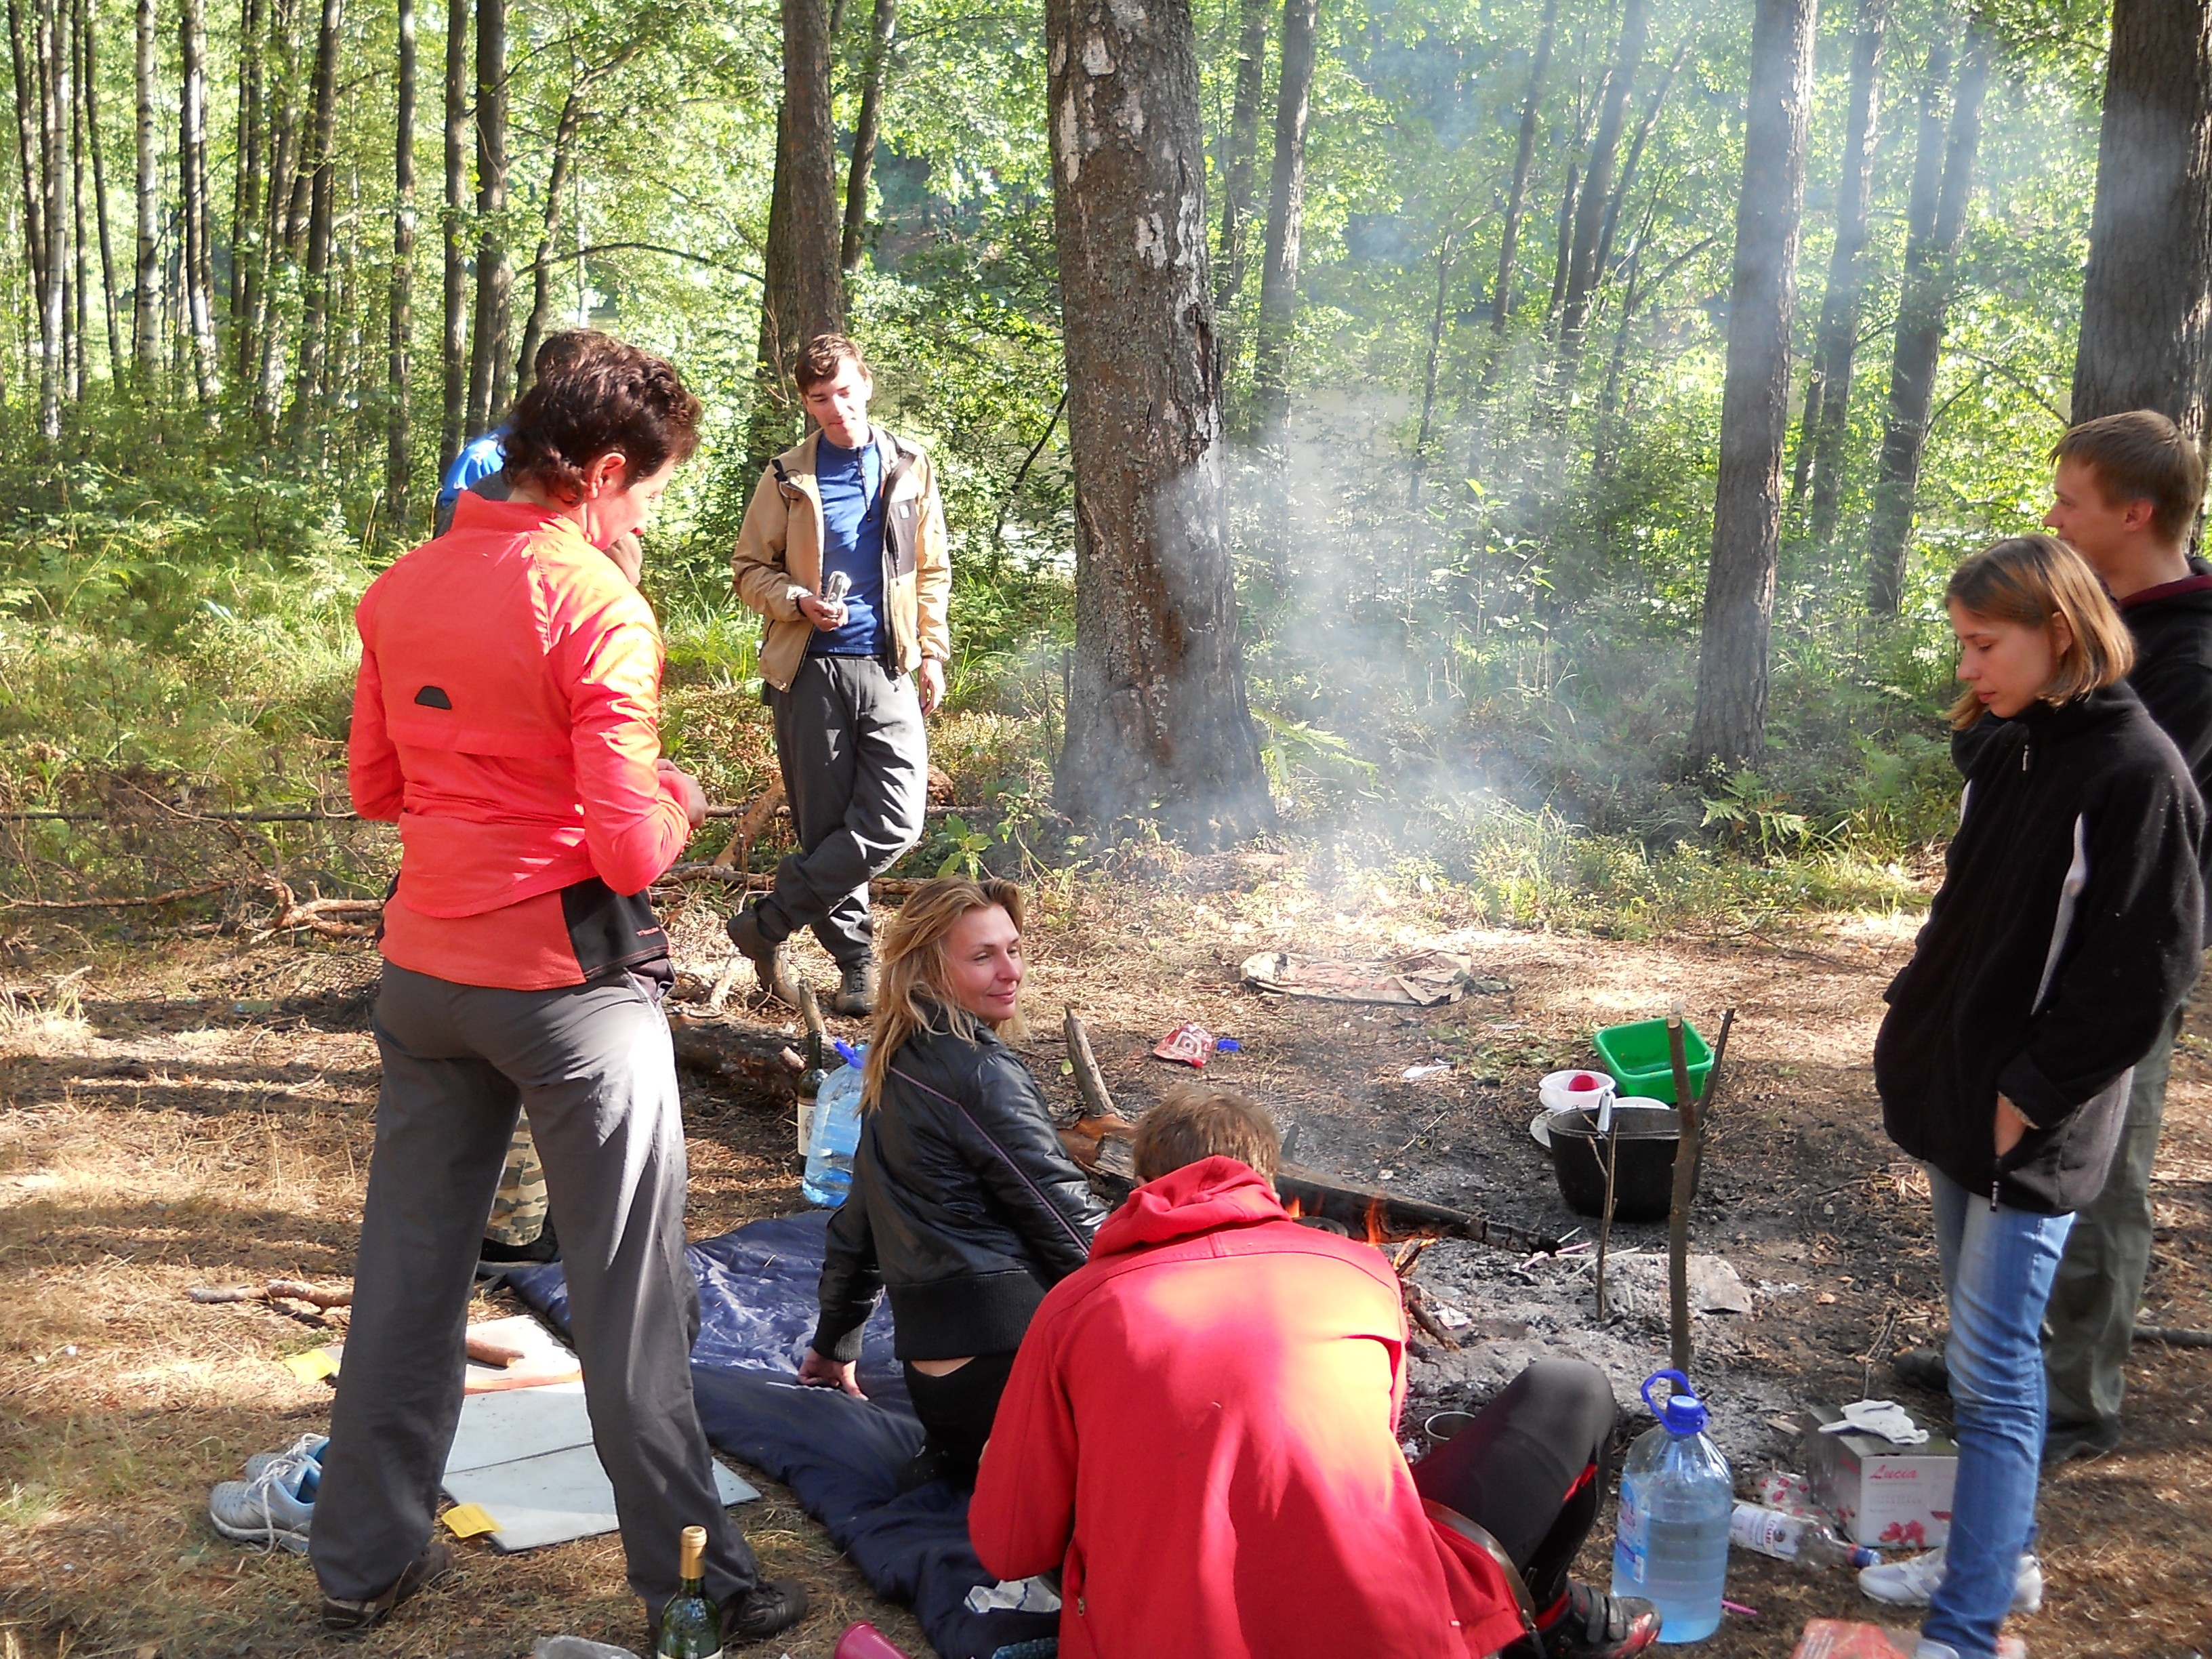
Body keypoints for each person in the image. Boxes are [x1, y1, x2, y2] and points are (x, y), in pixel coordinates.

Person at [315, 333, 807, 1647]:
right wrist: (681, 795)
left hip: (425, 976)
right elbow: (629, 849)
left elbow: (375, 787)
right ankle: (699, 1586)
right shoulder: (594, 603)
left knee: (408, 1280)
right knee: (631, 1301)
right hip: (567, 992)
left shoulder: (402, 586)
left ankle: (359, 1562)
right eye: (645, 494)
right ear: (597, 475)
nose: (644, 520)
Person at [968, 1084, 1663, 1659]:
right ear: (1269, 1183)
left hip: (1155, 1635)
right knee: (1571, 1389)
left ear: (1143, 1187)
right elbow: (1372, 1447)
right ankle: (1549, 1618)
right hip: (1385, 1632)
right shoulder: (1363, 1271)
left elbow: (1009, 1549)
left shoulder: (1077, 1306)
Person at [1868, 535, 2203, 1659]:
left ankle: (1967, 1628)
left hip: (2030, 1122)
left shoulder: (2134, 772)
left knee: (1997, 1373)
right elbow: (1960, 914)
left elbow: (2146, 972)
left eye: (1982, 644)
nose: (1965, 668)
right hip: (1959, 1096)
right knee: (1974, 1357)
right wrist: (1916, 1027)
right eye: (1960, 644)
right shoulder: (2014, 748)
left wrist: (2033, 1094)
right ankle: (1998, 1556)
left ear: (2058, 632)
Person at [1912, 413, 2212, 1467]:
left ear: (2135, 514)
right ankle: (1992, 1355)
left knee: (2092, 1166)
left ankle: (2073, 1394)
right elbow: (2001, 754)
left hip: (2109, 960)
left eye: (2072, 500)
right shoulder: (2071, 621)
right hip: (2021, 944)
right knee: (1996, 1162)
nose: (2054, 515)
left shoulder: (2188, 655)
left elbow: (2136, 833)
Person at [798, 876, 1104, 1489]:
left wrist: (835, 1341)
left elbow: (860, 1217)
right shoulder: (980, 1072)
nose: (1011, 971)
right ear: (929, 972)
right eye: (983, 957)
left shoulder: (898, 1059)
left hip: (945, 1397)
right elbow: (1065, 1221)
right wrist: (1160, 1302)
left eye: (1013, 949)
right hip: (1011, 1384)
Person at [725, 333, 951, 1017]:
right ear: (806, 402)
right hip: (810, 670)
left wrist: (932, 652)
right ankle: (855, 966)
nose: (837, 408)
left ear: (867, 386)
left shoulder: (909, 464)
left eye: (846, 392)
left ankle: (766, 922)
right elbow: (748, 570)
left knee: (896, 820)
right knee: (826, 829)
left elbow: (931, 568)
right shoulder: (786, 475)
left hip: (889, 665)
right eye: (821, 398)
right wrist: (797, 600)